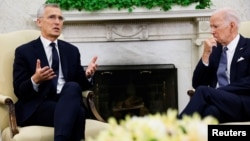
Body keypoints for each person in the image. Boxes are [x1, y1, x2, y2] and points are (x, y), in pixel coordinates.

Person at [13, 3, 98, 141]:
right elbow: (19, 90)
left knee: (72, 86)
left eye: (60, 18)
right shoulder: (24, 52)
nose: (57, 22)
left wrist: (87, 75)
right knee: (78, 113)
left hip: (66, 99)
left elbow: (80, 84)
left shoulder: (71, 51)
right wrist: (35, 80)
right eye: (52, 17)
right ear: (39, 22)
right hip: (39, 105)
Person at [179, 7, 250, 123]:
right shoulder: (215, 49)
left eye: (215, 26)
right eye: (211, 26)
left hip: (242, 103)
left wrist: (218, 93)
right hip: (218, 103)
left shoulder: (248, 46)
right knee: (209, 112)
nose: (212, 31)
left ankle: (173, 129)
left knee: (203, 91)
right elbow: (197, 83)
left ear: (232, 26)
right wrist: (205, 54)